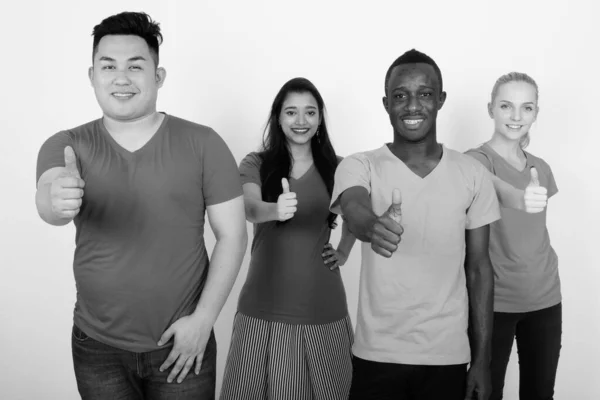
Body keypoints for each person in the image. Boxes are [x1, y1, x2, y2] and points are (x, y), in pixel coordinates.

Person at [35, 12, 247, 399]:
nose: (121, 78)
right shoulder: (66, 145)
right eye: (108, 66)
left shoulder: (204, 144)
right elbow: (48, 200)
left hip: (184, 344)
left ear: (158, 76)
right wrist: (56, 198)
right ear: (91, 75)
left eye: (135, 66)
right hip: (97, 346)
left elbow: (232, 235)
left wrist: (203, 321)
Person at [330, 49, 501, 400]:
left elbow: (480, 269)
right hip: (377, 353)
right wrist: (371, 226)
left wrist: (483, 360)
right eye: (400, 95)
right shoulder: (359, 164)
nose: (412, 106)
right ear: (386, 103)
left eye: (424, 94)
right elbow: (354, 206)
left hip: (447, 355)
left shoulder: (472, 174)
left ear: (440, 100)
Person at [220, 77, 356, 400]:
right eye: (291, 112)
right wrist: (275, 210)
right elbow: (249, 207)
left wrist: (344, 251)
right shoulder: (256, 163)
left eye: (309, 113)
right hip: (263, 310)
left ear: (320, 118)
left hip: (324, 309)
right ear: (278, 117)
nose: (300, 121)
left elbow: (356, 214)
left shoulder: (340, 168)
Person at [465, 72, 561, 400]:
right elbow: (487, 182)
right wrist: (518, 197)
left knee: (540, 394)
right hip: (493, 303)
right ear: (491, 109)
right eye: (507, 106)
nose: (517, 117)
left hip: (545, 298)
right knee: (485, 394)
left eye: (527, 108)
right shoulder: (474, 161)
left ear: (536, 113)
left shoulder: (541, 168)